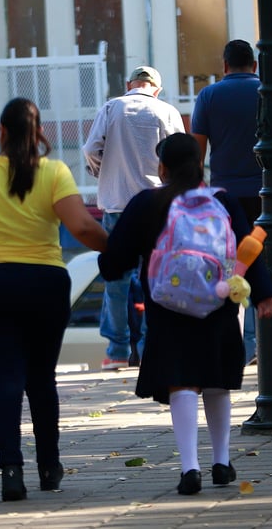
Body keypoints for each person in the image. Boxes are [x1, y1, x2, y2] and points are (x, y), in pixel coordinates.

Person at [0, 97, 108, 502]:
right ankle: (50, 466)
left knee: (5, 380)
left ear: (2, 132)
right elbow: (82, 226)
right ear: (39, 132)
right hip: (44, 284)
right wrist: (118, 250)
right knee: (42, 379)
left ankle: (11, 469)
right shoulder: (54, 172)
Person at [98, 133, 272, 496]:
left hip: (167, 307)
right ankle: (222, 462)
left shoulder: (149, 203)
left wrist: (109, 261)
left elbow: (114, 259)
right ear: (200, 165)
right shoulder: (223, 200)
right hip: (218, 302)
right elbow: (247, 249)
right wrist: (264, 294)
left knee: (182, 380)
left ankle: (189, 468)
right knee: (215, 381)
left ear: (162, 167)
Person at [82, 65, 185, 370]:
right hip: (156, 205)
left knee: (116, 279)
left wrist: (100, 170)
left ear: (130, 84)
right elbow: (178, 155)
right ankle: (150, 348)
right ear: (156, 88)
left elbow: (90, 148)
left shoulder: (111, 107)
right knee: (155, 278)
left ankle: (116, 351)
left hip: (116, 205)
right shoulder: (165, 111)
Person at [189, 40, 263, 362]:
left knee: (231, 268)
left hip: (226, 198)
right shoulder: (269, 91)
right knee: (262, 265)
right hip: (265, 195)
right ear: (255, 65)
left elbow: (197, 150)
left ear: (225, 65)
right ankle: (259, 341)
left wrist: (197, 189)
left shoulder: (209, 96)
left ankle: (235, 345)